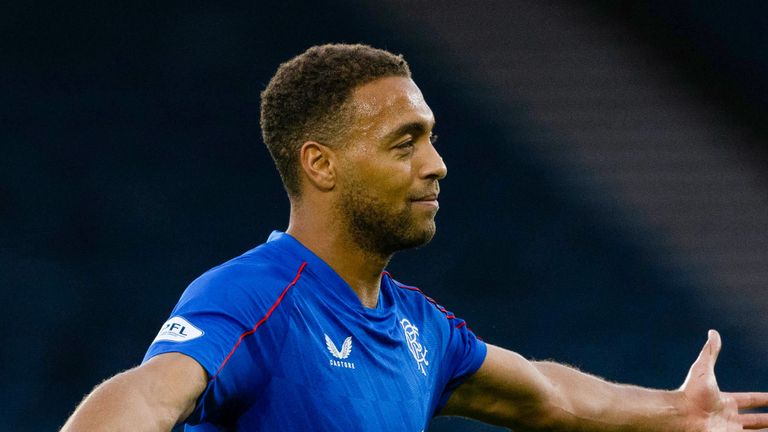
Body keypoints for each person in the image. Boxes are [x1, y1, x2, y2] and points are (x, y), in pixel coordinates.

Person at [61, 43, 768, 432]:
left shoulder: (421, 329)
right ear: (321, 163)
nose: (436, 163)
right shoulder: (254, 299)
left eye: (431, 137)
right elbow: (150, 397)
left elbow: (549, 396)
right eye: (405, 143)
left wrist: (677, 411)